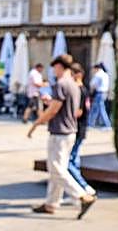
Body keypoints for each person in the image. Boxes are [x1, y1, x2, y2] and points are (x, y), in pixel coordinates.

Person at [28, 54, 96, 219]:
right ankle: (51, 203)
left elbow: (54, 110)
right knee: (57, 169)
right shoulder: (74, 84)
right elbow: (64, 107)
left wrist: (36, 124)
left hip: (59, 132)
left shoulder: (61, 84)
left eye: (54, 67)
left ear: (59, 67)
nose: (53, 71)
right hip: (70, 131)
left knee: (56, 169)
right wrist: (50, 103)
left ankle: (82, 196)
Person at [67, 63, 97, 201]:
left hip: (77, 128)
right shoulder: (84, 90)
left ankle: (83, 187)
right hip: (81, 128)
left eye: (72, 74)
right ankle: (76, 191)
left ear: (78, 75)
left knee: (67, 163)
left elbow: (78, 112)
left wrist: (62, 113)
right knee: (74, 160)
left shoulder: (78, 91)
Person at [89, 63, 111, 129]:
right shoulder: (105, 74)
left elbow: (92, 84)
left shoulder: (98, 74)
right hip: (104, 93)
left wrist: (91, 91)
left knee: (99, 109)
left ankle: (107, 125)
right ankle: (91, 124)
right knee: (98, 109)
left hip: (99, 93)